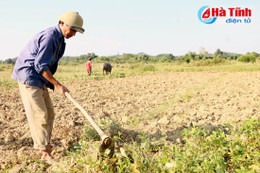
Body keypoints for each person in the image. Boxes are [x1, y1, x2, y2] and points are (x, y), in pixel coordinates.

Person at [11, 11, 85, 164]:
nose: (73, 34)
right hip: (29, 76)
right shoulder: (50, 37)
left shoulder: (60, 41)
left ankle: (46, 145)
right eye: (72, 29)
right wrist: (58, 85)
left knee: (49, 112)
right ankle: (45, 153)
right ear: (63, 23)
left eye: (76, 31)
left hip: (39, 78)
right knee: (40, 115)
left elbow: (48, 66)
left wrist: (51, 83)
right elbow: (40, 65)